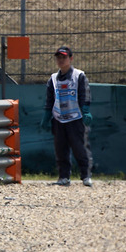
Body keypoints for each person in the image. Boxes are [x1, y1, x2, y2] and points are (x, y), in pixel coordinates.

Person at [40, 46, 93, 187]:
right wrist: (46, 117)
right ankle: (64, 177)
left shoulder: (79, 75)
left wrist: (86, 111)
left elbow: (84, 94)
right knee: (60, 149)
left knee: (79, 148)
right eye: (59, 57)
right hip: (59, 119)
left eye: (64, 57)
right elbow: (49, 100)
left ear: (71, 58)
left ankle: (86, 176)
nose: (61, 60)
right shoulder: (53, 79)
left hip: (75, 118)